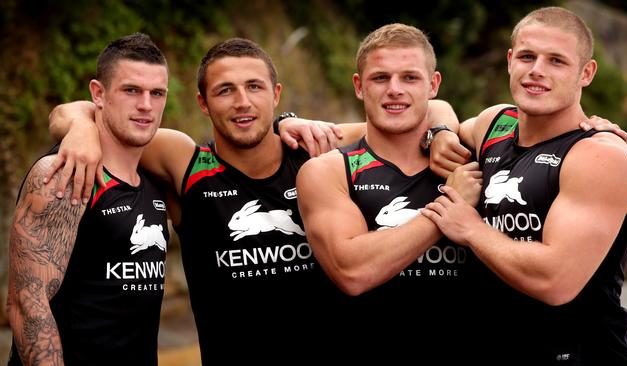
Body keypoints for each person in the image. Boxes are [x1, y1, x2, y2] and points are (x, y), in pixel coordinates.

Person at [48, 37, 461, 361]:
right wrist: (81, 131)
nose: (243, 102)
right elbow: (84, 112)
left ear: (276, 94)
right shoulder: (183, 162)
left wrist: (440, 133)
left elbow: (430, 106)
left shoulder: (317, 149)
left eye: (254, 87)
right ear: (203, 103)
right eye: (225, 90)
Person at [421, 7, 627, 365]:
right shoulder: (494, 124)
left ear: (586, 73)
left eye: (556, 61)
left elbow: (555, 281)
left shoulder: (600, 156)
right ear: (510, 61)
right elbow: (428, 110)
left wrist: (471, 228)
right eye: (527, 56)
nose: (537, 69)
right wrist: (441, 133)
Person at [295, 23, 484, 357]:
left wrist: (597, 129)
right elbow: (352, 272)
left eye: (410, 78)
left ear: (433, 84)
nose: (394, 90)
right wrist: (448, 209)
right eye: (380, 78)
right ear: (358, 86)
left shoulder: (469, 155)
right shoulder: (328, 170)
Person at [7, 33, 170, 366]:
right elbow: (27, 302)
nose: (146, 105)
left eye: (157, 93)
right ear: (98, 93)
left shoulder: (155, 182)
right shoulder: (61, 176)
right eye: (131, 90)